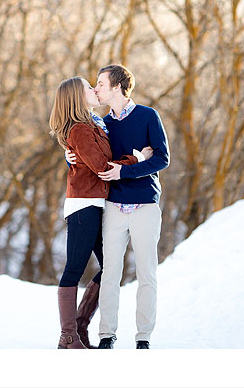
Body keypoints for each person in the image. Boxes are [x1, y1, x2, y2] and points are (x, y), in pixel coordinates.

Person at [49, 76, 148, 349]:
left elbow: (90, 156)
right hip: (84, 205)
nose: (94, 89)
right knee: (75, 269)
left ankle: (79, 327)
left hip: (96, 204)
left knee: (110, 267)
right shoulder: (81, 129)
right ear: (77, 97)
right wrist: (137, 159)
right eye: (87, 88)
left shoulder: (94, 124)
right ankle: (68, 336)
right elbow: (101, 166)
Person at [91, 63, 169, 349]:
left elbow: (162, 158)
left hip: (145, 205)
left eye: (100, 83)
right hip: (113, 206)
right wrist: (69, 158)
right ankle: (106, 335)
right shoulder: (102, 124)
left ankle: (143, 336)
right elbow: (91, 156)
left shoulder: (149, 116)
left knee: (147, 272)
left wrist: (125, 171)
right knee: (111, 271)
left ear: (117, 86)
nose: (96, 88)